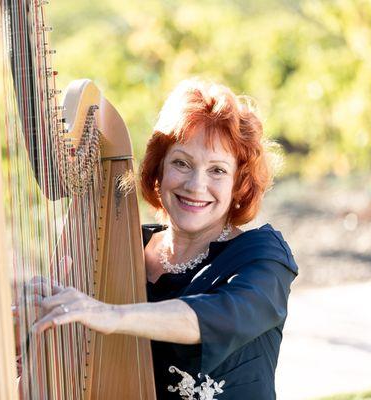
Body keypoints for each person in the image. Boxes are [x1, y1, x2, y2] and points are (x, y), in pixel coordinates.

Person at [31, 79, 298, 400]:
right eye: (182, 163)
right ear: (158, 170)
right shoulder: (121, 251)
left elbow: (216, 315)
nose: (196, 185)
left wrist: (110, 314)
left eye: (217, 170)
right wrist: (37, 334)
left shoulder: (262, 258)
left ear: (239, 184)